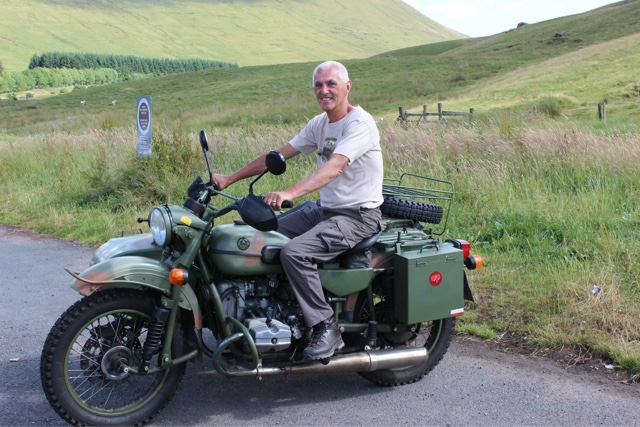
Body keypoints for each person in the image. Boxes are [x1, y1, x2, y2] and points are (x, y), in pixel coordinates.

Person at [212, 60, 383, 360]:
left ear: (347, 87)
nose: (324, 90)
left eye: (331, 84)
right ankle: (275, 306)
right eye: (319, 85)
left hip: (357, 216)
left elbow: (335, 167)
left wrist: (289, 192)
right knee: (260, 234)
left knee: (295, 253)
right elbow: (278, 155)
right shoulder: (320, 124)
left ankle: (326, 326)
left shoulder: (360, 124)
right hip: (326, 210)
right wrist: (229, 178)